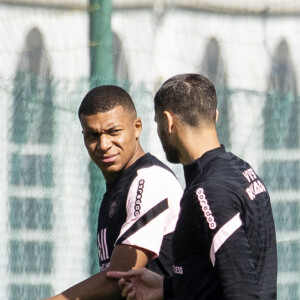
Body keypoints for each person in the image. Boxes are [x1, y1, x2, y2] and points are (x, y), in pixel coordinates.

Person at [107, 74, 278, 299]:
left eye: (157, 123)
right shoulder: (242, 171)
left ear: (168, 121)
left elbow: (242, 290)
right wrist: (169, 288)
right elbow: (221, 276)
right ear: (214, 116)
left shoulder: (207, 191)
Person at [44, 85, 183, 300]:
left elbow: (123, 274)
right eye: (92, 135)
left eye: (113, 132)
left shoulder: (150, 180)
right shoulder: (117, 189)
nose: (103, 144)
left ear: (137, 127)